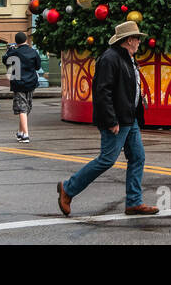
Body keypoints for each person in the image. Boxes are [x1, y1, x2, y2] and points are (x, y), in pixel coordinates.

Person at [57, 21, 158, 216]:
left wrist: (136, 98)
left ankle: (134, 202)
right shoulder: (110, 59)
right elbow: (102, 92)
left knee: (137, 157)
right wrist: (111, 121)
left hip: (130, 118)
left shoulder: (127, 58)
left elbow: (124, 87)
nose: (139, 42)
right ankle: (68, 189)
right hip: (117, 120)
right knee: (107, 160)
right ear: (129, 40)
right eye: (137, 38)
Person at [4, 31, 41, 144]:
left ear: (16, 42)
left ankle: (25, 135)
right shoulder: (33, 52)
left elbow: (5, 61)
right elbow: (38, 66)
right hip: (31, 82)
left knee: (22, 108)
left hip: (18, 82)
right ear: (26, 40)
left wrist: (10, 50)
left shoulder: (14, 52)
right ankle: (20, 132)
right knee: (26, 108)